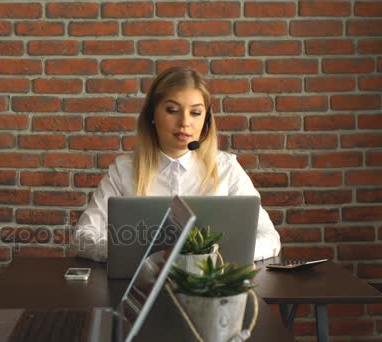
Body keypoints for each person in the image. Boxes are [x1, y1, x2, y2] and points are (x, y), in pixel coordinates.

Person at [72, 67, 281, 262]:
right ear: (152, 115)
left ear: (206, 120)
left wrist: (214, 257)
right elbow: (82, 238)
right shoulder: (123, 170)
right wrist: (136, 254)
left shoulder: (227, 168)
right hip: (142, 286)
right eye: (172, 110)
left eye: (196, 112)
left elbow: (269, 237)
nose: (185, 122)